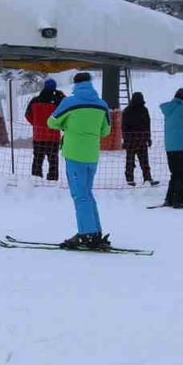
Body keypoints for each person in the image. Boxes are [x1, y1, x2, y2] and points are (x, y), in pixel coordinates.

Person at [46, 71, 111, 247]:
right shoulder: (101, 104)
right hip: (92, 155)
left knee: (80, 195)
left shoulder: (70, 102)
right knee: (87, 193)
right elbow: (106, 131)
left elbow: (51, 122)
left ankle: (86, 234)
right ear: (90, 83)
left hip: (74, 154)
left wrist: (68, 125)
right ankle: (95, 231)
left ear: (75, 84)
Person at [24, 79, 63, 181]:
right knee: (53, 160)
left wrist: (36, 123)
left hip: (39, 135)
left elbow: (27, 115)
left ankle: (36, 178)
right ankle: (52, 179)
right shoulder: (58, 101)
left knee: (37, 159)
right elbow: (64, 114)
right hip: (53, 137)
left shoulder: (35, 100)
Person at [121, 91, 157, 187]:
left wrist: (125, 140)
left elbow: (123, 127)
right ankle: (147, 178)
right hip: (141, 139)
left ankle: (130, 179)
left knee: (130, 161)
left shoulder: (127, 111)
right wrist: (148, 138)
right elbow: (147, 125)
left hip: (131, 140)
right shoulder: (144, 110)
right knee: (144, 161)